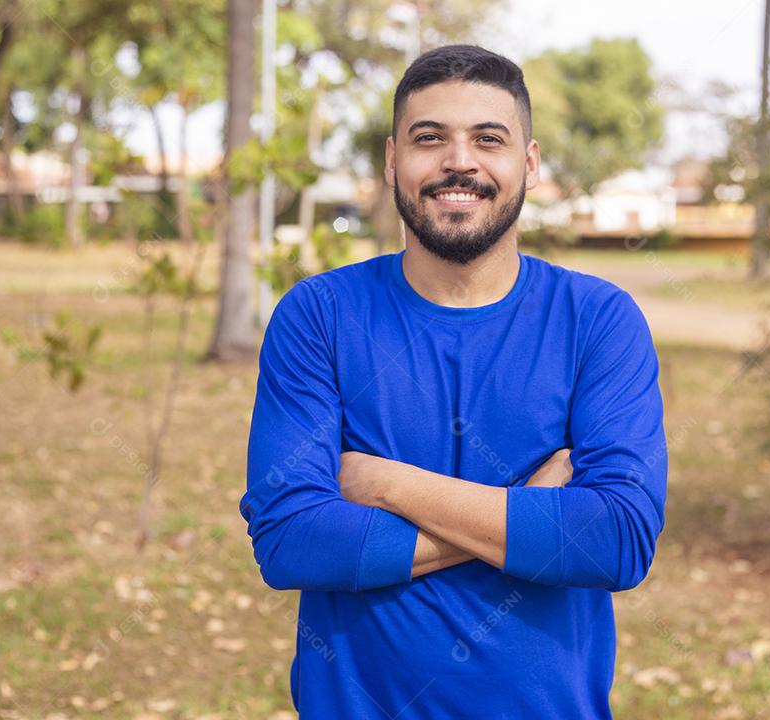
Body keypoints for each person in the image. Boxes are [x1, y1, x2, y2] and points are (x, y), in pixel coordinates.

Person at [239, 43, 667, 720]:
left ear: (528, 162)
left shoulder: (597, 321)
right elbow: (291, 540)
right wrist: (524, 515)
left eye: (488, 140)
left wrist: (387, 484)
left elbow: (615, 539)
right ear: (391, 161)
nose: (458, 161)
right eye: (429, 138)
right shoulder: (320, 316)